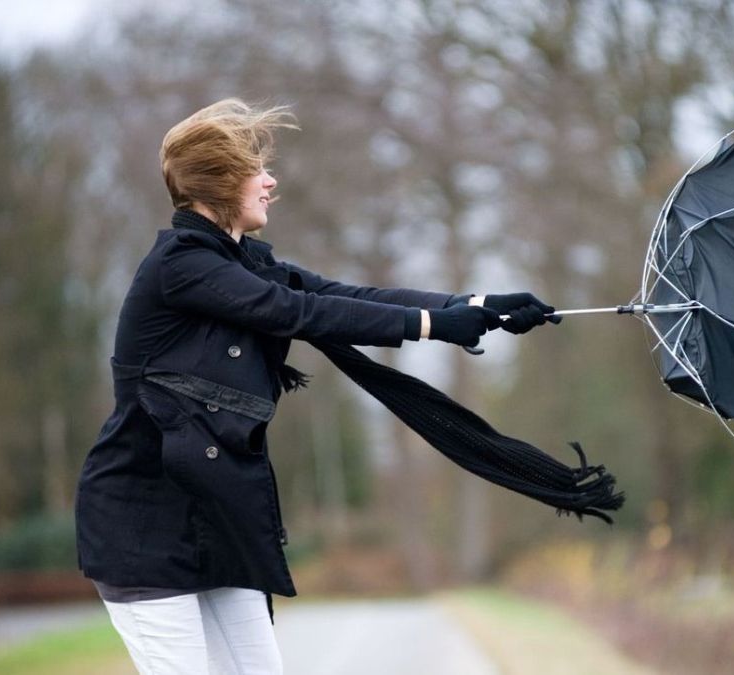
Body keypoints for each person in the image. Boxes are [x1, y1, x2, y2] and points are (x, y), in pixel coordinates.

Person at [74, 98, 559, 675]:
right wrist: (432, 325)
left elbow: (342, 296)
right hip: (144, 527)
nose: (270, 181)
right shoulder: (181, 265)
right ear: (220, 182)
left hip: (217, 520)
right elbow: (295, 311)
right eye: (256, 170)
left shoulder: (241, 261)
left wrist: (473, 307)